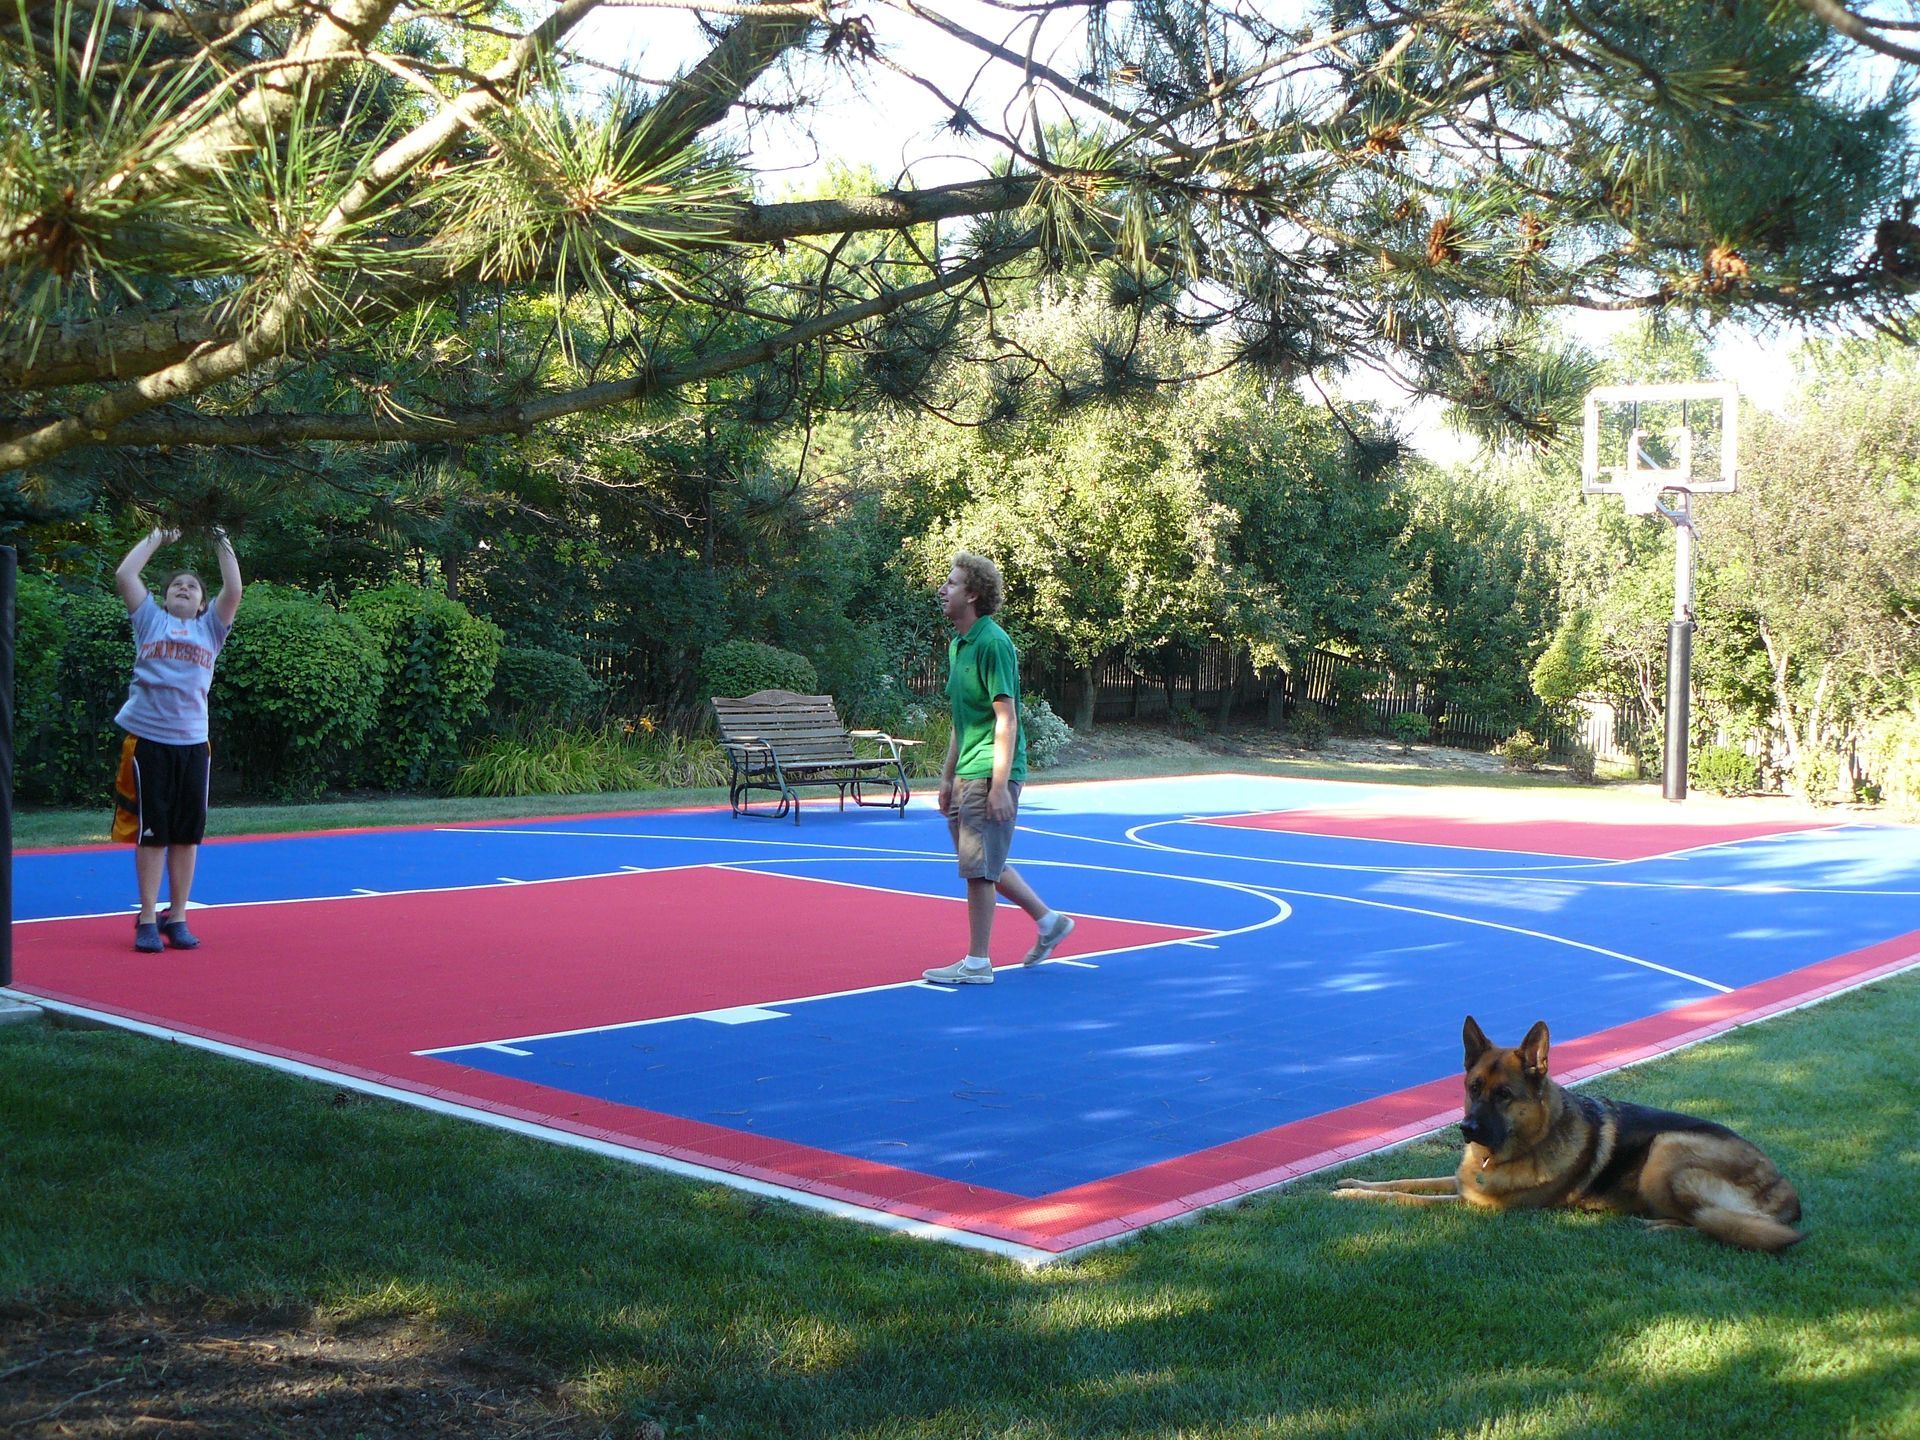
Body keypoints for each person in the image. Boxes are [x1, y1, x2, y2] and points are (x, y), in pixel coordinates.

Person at [921, 552, 1075, 985]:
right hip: (969, 770)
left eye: (951, 584)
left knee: (978, 869)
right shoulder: (958, 645)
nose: (943, 590)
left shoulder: (992, 643)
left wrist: (999, 786)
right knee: (983, 862)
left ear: (972, 594)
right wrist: (948, 776)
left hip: (990, 771)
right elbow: (963, 719)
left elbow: (1006, 718)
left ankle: (977, 963)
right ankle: (1049, 922)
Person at [111, 526, 244, 953]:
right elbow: (125, 576)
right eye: (175, 586)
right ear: (164, 598)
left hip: (192, 744)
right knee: (153, 832)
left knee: (187, 835)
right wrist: (158, 536)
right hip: (149, 741)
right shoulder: (151, 621)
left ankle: (178, 915)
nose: (184, 588)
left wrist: (219, 538)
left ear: (203, 603)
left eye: (192, 587)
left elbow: (234, 587)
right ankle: (147, 918)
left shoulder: (211, 630)